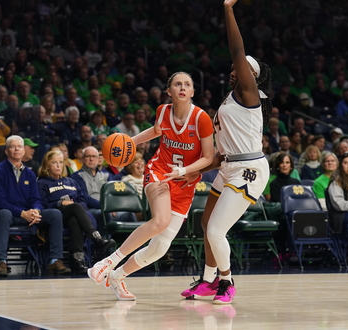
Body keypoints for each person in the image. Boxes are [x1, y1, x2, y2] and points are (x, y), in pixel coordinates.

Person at [86, 71, 214, 301]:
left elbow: (208, 157)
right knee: (160, 220)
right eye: (177, 84)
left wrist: (183, 171)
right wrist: (129, 142)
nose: (182, 87)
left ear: (193, 92)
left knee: (160, 247)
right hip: (159, 172)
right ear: (169, 91)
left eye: (187, 84)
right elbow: (156, 132)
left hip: (185, 183)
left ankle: (117, 276)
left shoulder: (201, 118)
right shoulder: (163, 111)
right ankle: (108, 261)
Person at [179, 0, 271, 304]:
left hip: (249, 170)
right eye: (234, 69)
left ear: (252, 76)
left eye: (242, 68)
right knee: (206, 225)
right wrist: (191, 171)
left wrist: (228, 9)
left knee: (217, 229)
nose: (235, 70)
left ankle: (227, 282)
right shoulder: (229, 103)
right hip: (228, 166)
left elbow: (236, 51)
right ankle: (207, 282)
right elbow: (220, 154)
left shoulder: (249, 93)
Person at [0, 135, 71, 276]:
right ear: (6, 151)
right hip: (6, 214)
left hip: (27, 214)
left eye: (19, 146)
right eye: (12, 146)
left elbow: (36, 198)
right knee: (4, 213)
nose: (16, 149)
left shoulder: (30, 174)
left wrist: (36, 210)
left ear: (23, 151)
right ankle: (0, 261)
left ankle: (55, 260)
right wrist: (22, 213)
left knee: (55, 214)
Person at [37, 150, 115, 273]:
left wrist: (76, 206)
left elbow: (82, 201)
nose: (58, 165)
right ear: (47, 165)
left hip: (74, 214)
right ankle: (96, 237)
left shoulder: (71, 181)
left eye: (61, 162)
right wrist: (60, 203)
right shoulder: (42, 183)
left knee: (75, 220)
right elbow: (42, 204)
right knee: (75, 207)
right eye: (54, 163)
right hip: (56, 215)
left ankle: (78, 260)